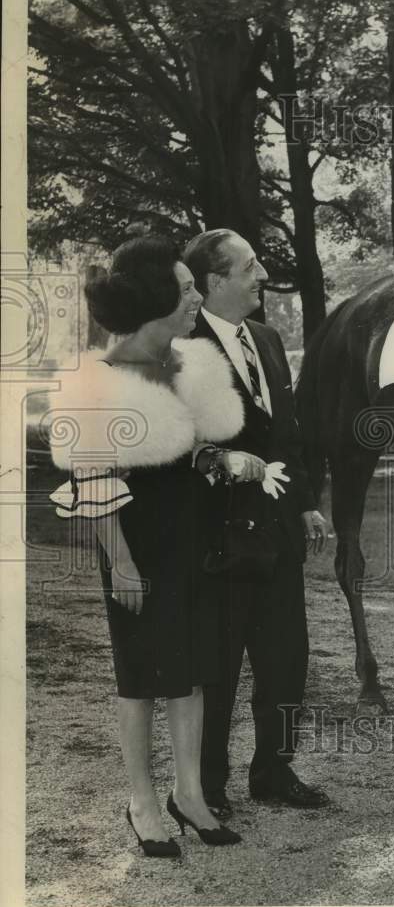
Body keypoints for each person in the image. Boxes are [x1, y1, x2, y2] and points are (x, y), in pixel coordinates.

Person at [48, 235, 245, 855]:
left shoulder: (193, 364)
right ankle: (141, 801)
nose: (196, 298)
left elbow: (189, 448)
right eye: (186, 289)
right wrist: (123, 563)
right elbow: (91, 479)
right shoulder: (95, 381)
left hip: (193, 538)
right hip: (136, 544)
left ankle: (190, 795)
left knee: (191, 674)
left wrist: (218, 458)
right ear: (156, 298)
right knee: (139, 678)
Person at [182, 228, 330, 819]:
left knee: (286, 657)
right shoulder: (183, 346)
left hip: (278, 533)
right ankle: (208, 784)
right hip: (215, 537)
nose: (263, 276)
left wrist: (305, 502)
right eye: (249, 268)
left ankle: (273, 771)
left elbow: (287, 435)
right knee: (216, 665)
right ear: (214, 281)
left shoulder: (266, 339)